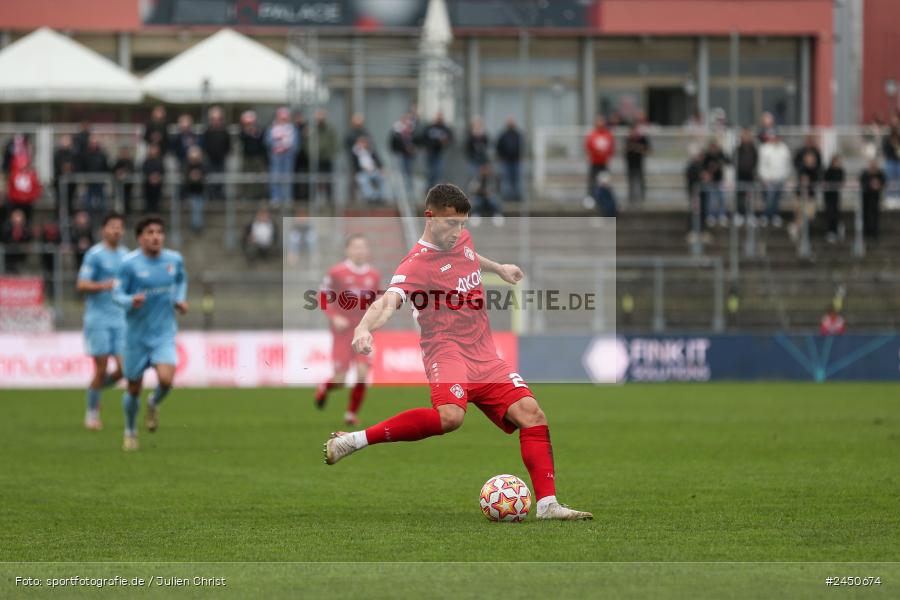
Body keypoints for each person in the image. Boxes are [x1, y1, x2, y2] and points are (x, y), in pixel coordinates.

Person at [324, 183, 593, 521]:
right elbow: (388, 301)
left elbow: (468, 255)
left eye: (463, 224)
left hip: (484, 352)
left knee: (532, 414)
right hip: (445, 349)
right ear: (430, 217)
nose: (458, 231)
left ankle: (547, 505)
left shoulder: (460, 238)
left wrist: (497, 268)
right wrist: (363, 328)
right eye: (451, 224)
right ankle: (354, 441)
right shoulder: (415, 264)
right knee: (451, 417)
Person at [112, 216, 188, 451]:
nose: (156, 236)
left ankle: (153, 402)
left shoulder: (174, 259)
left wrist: (180, 298)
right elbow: (116, 294)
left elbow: (181, 280)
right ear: (140, 237)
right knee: (133, 387)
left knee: (166, 379)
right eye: (150, 232)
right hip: (136, 335)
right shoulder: (129, 264)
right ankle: (130, 430)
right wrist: (129, 300)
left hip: (163, 333)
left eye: (159, 232)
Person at [315, 234, 381, 426]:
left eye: (363, 247)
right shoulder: (337, 272)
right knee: (340, 380)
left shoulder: (373, 275)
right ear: (348, 250)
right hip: (342, 332)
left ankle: (350, 414)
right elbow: (323, 296)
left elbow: (375, 302)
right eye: (356, 247)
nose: (360, 251)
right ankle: (324, 387)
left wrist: (373, 321)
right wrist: (334, 316)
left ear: (367, 251)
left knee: (362, 374)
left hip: (363, 331)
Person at [76, 213, 128, 431]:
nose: (116, 230)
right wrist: (105, 285)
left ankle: (94, 390)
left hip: (121, 318)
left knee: (126, 369)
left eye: (119, 227)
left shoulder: (127, 255)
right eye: (112, 226)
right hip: (98, 318)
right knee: (101, 367)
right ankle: (92, 411)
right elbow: (82, 285)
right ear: (103, 230)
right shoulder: (94, 254)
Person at [757, 133, 791, 227]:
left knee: (777, 198)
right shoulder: (765, 148)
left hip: (780, 178)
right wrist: (765, 177)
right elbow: (762, 165)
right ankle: (766, 216)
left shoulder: (784, 149)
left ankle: (775, 216)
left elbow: (787, 164)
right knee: (769, 199)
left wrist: (785, 176)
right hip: (768, 179)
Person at [266, 107, 298, 206]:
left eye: (285, 118)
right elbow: (268, 141)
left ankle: (287, 198)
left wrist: (287, 146)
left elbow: (296, 144)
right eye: (281, 118)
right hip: (276, 157)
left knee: (287, 178)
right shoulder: (272, 128)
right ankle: (276, 198)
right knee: (275, 177)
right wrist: (278, 146)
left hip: (288, 157)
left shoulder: (292, 128)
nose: (283, 120)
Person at [200, 106, 231, 202]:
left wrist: (224, 154)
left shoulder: (225, 132)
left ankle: (219, 197)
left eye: (218, 119)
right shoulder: (207, 132)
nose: (216, 121)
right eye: (214, 119)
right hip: (210, 159)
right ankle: (211, 197)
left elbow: (228, 146)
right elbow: (204, 146)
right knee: (210, 179)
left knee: (221, 179)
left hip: (221, 159)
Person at [79, 135, 110, 225]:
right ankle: (89, 224)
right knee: (88, 206)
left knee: (102, 206)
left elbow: (106, 168)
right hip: (89, 184)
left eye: (95, 143)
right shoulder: (85, 155)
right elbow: (82, 168)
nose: (94, 145)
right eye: (92, 143)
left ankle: (103, 223)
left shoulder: (102, 155)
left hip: (100, 184)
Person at [309, 109, 338, 203]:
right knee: (315, 179)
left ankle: (329, 199)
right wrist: (311, 153)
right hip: (315, 159)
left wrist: (330, 153)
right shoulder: (312, 129)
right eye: (318, 115)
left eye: (322, 115)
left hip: (327, 159)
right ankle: (313, 199)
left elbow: (335, 143)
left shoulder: (330, 128)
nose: (320, 118)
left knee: (328, 179)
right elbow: (308, 143)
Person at [584, 115, 615, 202]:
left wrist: (605, 155)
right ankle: (590, 198)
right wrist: (596, 153)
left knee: (605, 182)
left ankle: (604, 199)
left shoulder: (608, 135)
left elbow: (611, 148)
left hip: (604, 163)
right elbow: (589, 147)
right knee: (592, 181)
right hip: (594, 162)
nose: (600, 123)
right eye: (599, 121)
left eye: (602, 121)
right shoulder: (592, 135)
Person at [239, 110, 268, 201]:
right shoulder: (243, 133)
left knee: (259, 178)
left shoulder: (260, 131)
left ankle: (260, 196)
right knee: (248, 178)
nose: (250, 125)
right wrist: (248, 133)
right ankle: (247, 196)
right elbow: (243, 140)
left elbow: (263, 143)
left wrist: (255, 133)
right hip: (247, 158)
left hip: (258, 158)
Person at [420, 111, 453, 189]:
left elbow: (450, 138)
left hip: (439, 153)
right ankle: (428, 188)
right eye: (438, 116)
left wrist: (445, 142)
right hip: (429, 153)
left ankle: (434, 188)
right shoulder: (429, 127)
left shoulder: (445, 128)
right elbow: (423, 138)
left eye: (440, 117)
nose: (439, 118)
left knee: (438, 172)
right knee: (429, 173)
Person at [701, 139, 729, 226]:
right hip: (711, 181)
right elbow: (703, 168)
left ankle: (722, 215)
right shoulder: (707, 156)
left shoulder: (720, 154)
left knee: (721, 199)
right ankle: (711, 216)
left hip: (719, 180)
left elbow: (728, 161)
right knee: (711, 200)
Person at [495, 116, 523, 202]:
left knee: (516, 180)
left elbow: (522, 147)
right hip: (506, 161)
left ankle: (517, 197)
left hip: (516, 161)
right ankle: (507, 198)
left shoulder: (518, 135)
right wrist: (501, 157)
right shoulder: (503, 135)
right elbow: (498, 147)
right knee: (506, 180)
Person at [732, 129, 758, 224]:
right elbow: (734, 161)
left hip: (750, 176)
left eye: (748, 137)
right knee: (739, 196)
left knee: (750, 197)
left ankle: (750, 214)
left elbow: (756, 161)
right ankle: (739, 214)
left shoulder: (753, 149)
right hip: (740, 176)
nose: (746, 139)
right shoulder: (737, 149)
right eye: (744, 137)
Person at [389, 111, 418, 196]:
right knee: (399, 173)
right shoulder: (396, 130)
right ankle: (398, 192)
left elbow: (415, 141)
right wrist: (405, 148)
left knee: (409, 173)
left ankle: (409, 192)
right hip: (399, 154)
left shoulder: (412, 130)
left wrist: (412, 148)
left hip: (408, 155)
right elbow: (394, 143)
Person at [351, 137, 387, 203]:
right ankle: (371, 197)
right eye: (361, 143)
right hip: (362, 172)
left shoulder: (371, 151)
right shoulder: (355, 153)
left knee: (382, 178)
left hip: (373, 171)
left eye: (364, 143)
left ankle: (380, 196)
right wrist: (364, 169)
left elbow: (378, 161)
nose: (362, 145)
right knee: (362, 180)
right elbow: (355, 165)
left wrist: (382, 169)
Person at [859, 159, 886, 240]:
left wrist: (878, 185)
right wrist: (870, 185)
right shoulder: (865, 173)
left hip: (875, 198)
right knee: (866, 215)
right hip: (866, 197)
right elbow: (862, 183)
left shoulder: (880, 173)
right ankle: (866, 232)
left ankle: (874, 233)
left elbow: (883, 182)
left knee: (875, 216)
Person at [53, 134, 79, 216]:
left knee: (70, 204)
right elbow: (57, 167)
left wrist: (71, 168)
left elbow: (77, 165)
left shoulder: (74, 154)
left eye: (67, 141)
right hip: (59, 183)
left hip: (71, 184)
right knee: (60, 204)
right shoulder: (57, 154)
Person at [624, 122, 650, 204]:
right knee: (631, 182)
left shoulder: (642, 139)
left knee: (641, 181)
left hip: (639, 164)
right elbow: (625, 150)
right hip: (630, 164)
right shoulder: (628, 139)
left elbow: (647, 150)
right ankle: (631, 199)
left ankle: (642, 198)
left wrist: (636, 147)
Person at [183, 145, 207, 233]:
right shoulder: (187, 165)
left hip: (200, 191)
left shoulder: (202, 165)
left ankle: (197, 226)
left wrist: (198, 175)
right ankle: (196, 226)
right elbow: (185, 175)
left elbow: (205, 173)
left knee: (198, 208)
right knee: (195, 207)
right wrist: (191, 176)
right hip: (190, 191)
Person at [1, 209, 32, 274]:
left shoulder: (26, 228)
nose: (18, 219)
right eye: (16, 217)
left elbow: (28, 238)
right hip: (9, 254)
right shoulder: (7, 227)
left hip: (21, 254)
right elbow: (4, 237)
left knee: (20, 270)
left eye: (19, 217)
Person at [822, 156, 845, 243]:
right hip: (828, 196)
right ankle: (830, 231)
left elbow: (841, 182)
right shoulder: (828, 171)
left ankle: (836, 230)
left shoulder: (840, 171)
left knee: (836, 212)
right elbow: (825, 182)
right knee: (829, 212)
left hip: (836, 196)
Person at [142, 143, 165, 214]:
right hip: (148, 184)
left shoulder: (160, 161)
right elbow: (144, 170)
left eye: (155, 150)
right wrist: (150, 177)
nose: (153, 151)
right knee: (148, 201)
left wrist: (157, 177)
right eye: (152, 149)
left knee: (156, 201)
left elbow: (162, 171)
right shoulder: (146, 161)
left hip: (157, 184)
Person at [112, 147, 135, 215]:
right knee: (119, 201)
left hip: (128, 186)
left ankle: (127, 214)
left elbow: (132, 171)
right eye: (123, 153)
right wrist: (117, 172)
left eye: (125, 153)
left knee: (127, 201)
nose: (124, 154)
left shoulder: (130, 162)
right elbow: (113, 170)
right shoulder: (118, 162)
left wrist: (125, 172)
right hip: (119, 186)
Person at [882, 125, 900, 197]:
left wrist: (896, 145)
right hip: (890, 161)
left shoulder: (899, 140)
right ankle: (889, 195)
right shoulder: (887, 141)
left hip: (898, 162)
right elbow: (886, 152)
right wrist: (892, 145)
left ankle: (898, 195)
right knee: (890, 179)